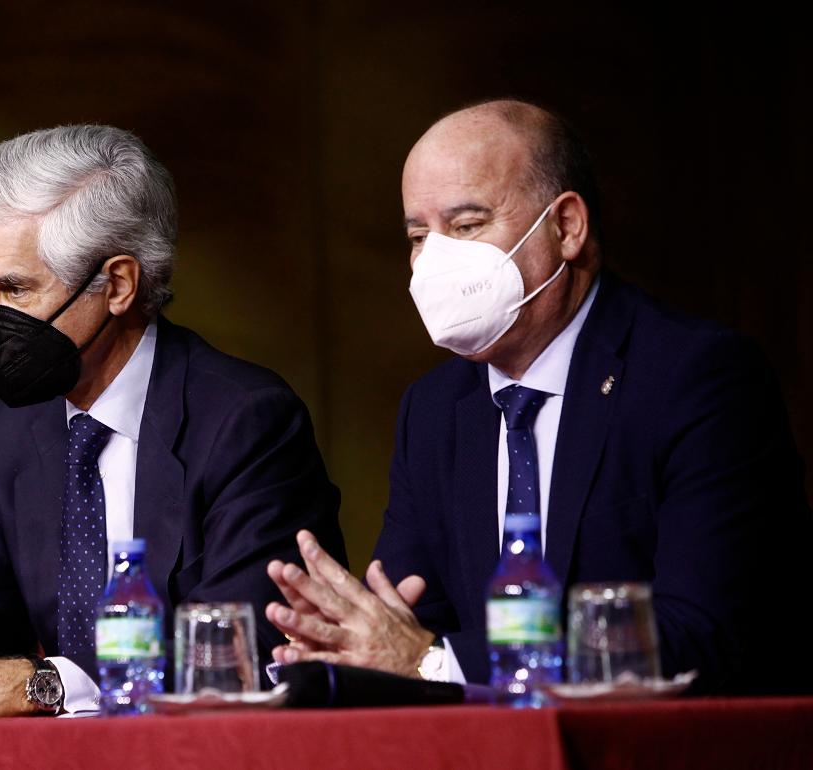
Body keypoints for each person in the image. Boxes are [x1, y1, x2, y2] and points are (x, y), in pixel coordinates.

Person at [264, 99, 811, 694]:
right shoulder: (433, 411)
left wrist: (435, 661)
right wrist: (346, 641)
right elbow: (409, 622)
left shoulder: (697, 378)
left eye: (468, 225)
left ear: (567, 226)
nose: (435, 261)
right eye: (419, 236)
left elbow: (703, 634)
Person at [0, 125, 346, 719]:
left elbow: (237, 652)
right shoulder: (6, 432)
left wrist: (38, 688)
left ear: (117, 284)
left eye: (13, 289)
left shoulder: (245, 420)